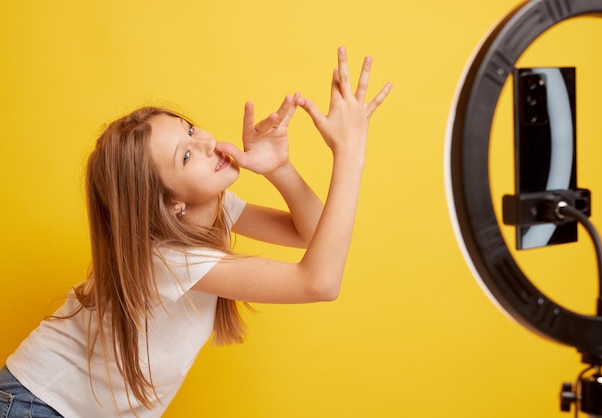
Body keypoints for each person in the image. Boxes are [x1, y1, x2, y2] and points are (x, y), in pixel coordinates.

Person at [0, 46, 391, 417]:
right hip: (36, 404)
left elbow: (312, 233)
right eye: (185, 156)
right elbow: (320, 282)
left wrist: (278, 168)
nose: (204, 142)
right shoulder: (170, 257)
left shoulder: (207, 209)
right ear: (171, 204)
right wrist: (350, 152)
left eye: (189, 129)